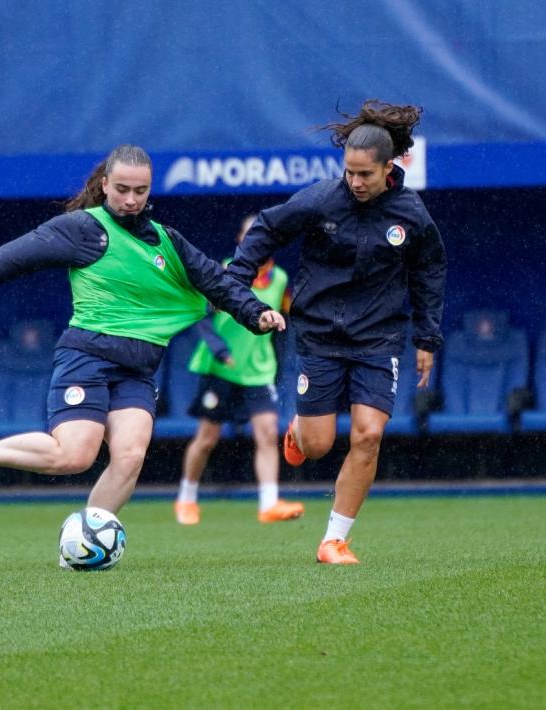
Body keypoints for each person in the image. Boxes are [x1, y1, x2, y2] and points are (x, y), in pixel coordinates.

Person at [0, 145, 286, 523]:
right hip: (87, 358)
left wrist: (257, 312)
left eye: (140, 191)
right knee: (74, 457)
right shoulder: (83, 229)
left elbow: (218, 282)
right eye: (122, 189)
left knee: (130, 457)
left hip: (138, 370)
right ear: (105, 185)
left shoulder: (168, 241)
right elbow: (13, 257)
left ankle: (86, 540)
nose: (130, 199)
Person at [227, 100, 447, 564]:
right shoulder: (322, 199)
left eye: (365, 174)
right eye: (349, 172)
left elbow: (429, 272)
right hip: (321, 336)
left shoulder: (411, 214)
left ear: (390, 167)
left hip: (378, 339)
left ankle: (333, 540)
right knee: (319, 444)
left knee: (368, 435)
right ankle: (300, 433)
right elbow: (267, 227)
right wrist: (238, 275)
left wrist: (427, 338)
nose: (355, 182)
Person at [173, 214, 303, 524]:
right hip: (220, 368)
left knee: (268, 432)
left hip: (258, 371)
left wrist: (276, 364)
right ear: (239, 241)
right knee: (206, 438)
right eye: (248, 236)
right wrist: (219, 349)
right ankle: (186, 498)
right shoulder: (223, 271)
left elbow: (285, 324)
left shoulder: (281, 279)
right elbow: (200, 316)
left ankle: (269, 503)